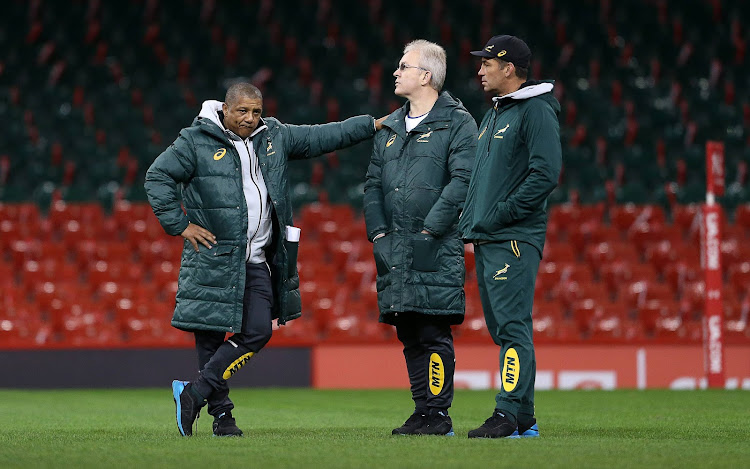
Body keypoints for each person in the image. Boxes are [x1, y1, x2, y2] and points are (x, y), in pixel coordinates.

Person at [145, 82, 384, 437]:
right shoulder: (194, 141)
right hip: (213, 258)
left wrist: (372, 125)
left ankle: (193, 393)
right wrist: (180, 225)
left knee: (257, 331)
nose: (250, 118)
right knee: (210, 340)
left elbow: (323, 136)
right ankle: (223, 418)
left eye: (256, 111)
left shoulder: (273, 136)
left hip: (257, 259)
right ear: (225, 109)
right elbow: (157, 176)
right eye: (242, 111)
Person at [363, 40, 477, 436]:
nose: (396, 72)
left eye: (403, 65)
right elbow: (372, 185)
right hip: (394, 246)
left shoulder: (459, 122)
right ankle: (422, 411)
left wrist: (430, 229)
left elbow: (464, 180)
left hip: (435, 244)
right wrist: (378, 233)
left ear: (425, 75)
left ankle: (438, 414)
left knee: (432, 329)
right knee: (408, 329)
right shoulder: (390, 126)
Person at [458, 35, 562, 439]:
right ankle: (524, 417)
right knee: (504, 329)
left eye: (487, 63)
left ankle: (505, 413)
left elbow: (545, 174)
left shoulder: (535, 110)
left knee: (512, 327)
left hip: (512, 236)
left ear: (509, 68)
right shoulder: (496, 115)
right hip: (491, 236)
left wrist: (499, 215)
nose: (480, 70)